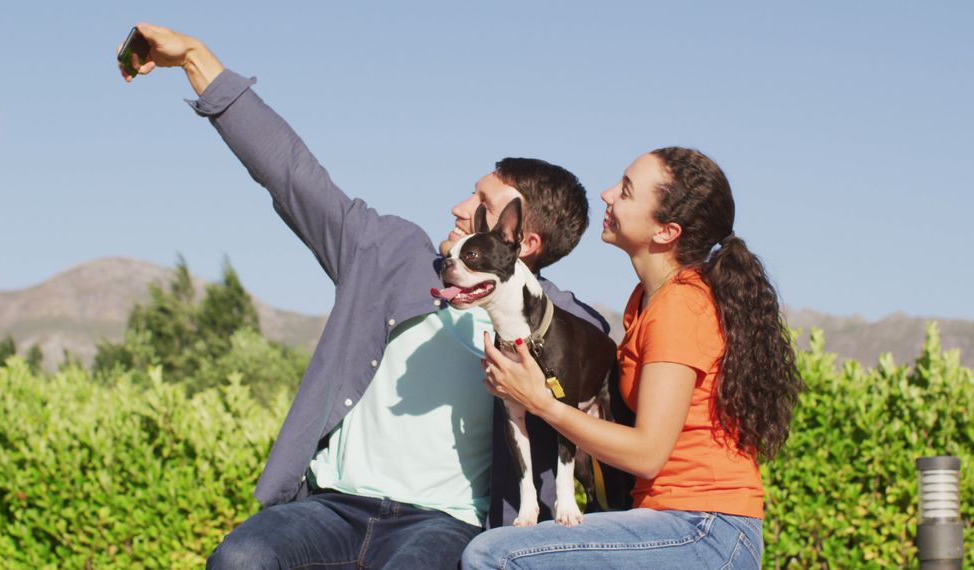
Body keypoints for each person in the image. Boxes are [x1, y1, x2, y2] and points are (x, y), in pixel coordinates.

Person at [118, 23, 611, 569]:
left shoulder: (569, 329)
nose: (456, 208)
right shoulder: (388, 253)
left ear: (523, 240)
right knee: (241, 558)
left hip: (446, 526)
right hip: (332, 509)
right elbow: (291, 174)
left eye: (481, 203)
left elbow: (626, 429)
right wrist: (195, 58)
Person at [463, 147, 804, 568]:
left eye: (625, 191)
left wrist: (541, 403)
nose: (607, 194)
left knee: (494, 555)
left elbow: (647, 454)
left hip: (702, 528)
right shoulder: (646, 302)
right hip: (668, 520)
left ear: (666, 231)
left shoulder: (681, 307)